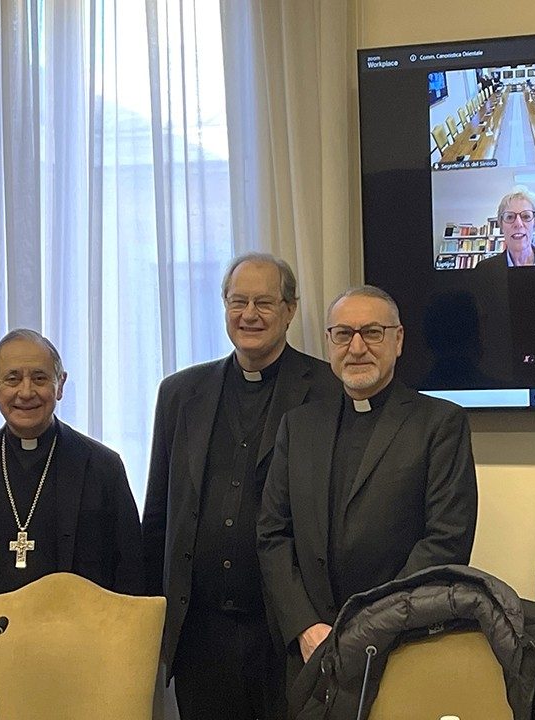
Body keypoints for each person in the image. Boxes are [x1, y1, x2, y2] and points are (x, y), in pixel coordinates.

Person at [143, 253, 339, 719]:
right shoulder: (179, 394)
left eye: (264, 303)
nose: (249, 314)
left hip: (287, 632)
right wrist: (155, 623)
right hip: (200, 635)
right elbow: (158, 515)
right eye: (238, 301)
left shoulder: (329, 389)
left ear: (290, 310)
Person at [0, 329, 144, 720]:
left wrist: (125, 676)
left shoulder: (102, 468)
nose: (26, 391)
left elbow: (131, 579)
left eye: (40, 378)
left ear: (61, 384)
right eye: (12, 378)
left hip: (82, 670)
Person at [256, 285, 478, 679]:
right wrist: (304, 625)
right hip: (311, 651)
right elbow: (273, 533)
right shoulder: (298, 426)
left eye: (372, 333)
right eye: (343, 334)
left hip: (402, 646)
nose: (356, 348)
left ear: (398, 339)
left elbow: (447, 539)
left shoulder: (440, 424)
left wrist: (372, 625)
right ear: (329, 342)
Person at [475, 186, 535, 270]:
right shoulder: (484, 269)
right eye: (510, 217)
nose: (518, 224)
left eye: (526, 216)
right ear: (501, 225)